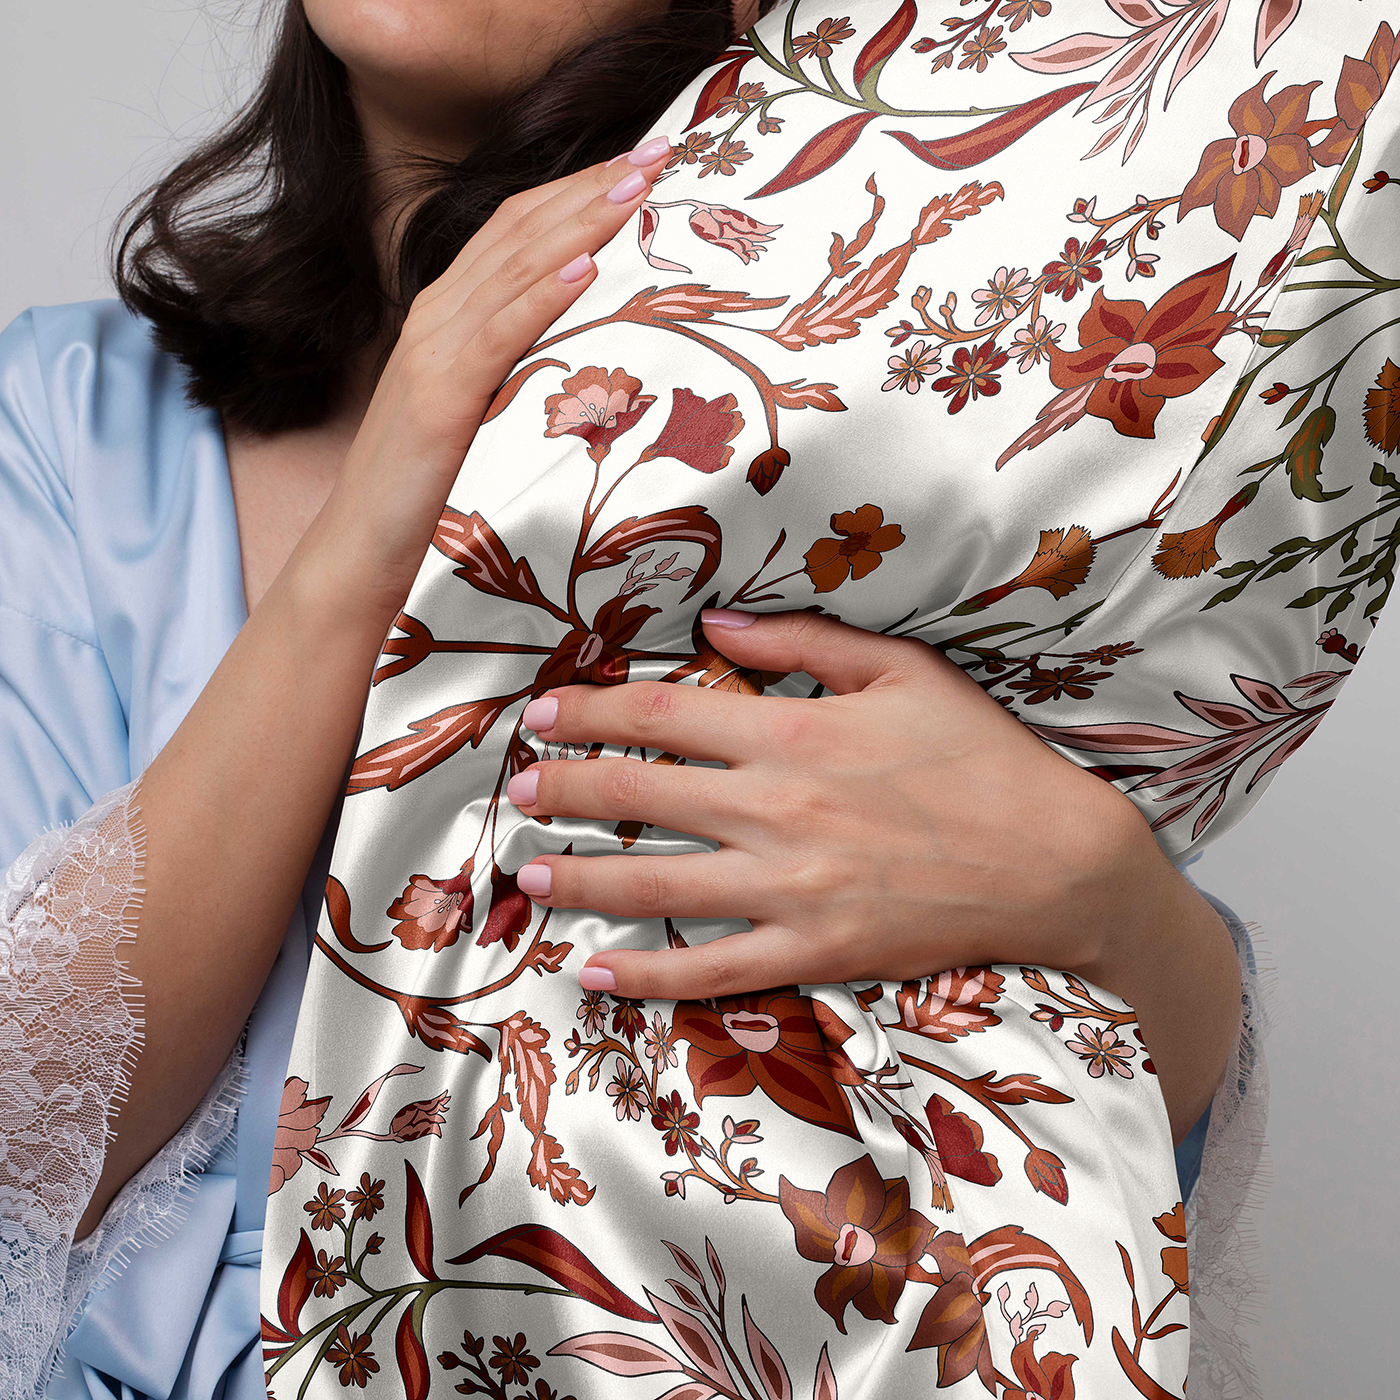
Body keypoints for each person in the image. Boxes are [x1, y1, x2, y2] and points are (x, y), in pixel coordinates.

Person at [3, 0, 1393, 1396]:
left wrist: (1111, 901)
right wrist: (381, 514)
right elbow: (23, 1132)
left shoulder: (868, 444)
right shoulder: (67, 417)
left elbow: (1048, 1116)